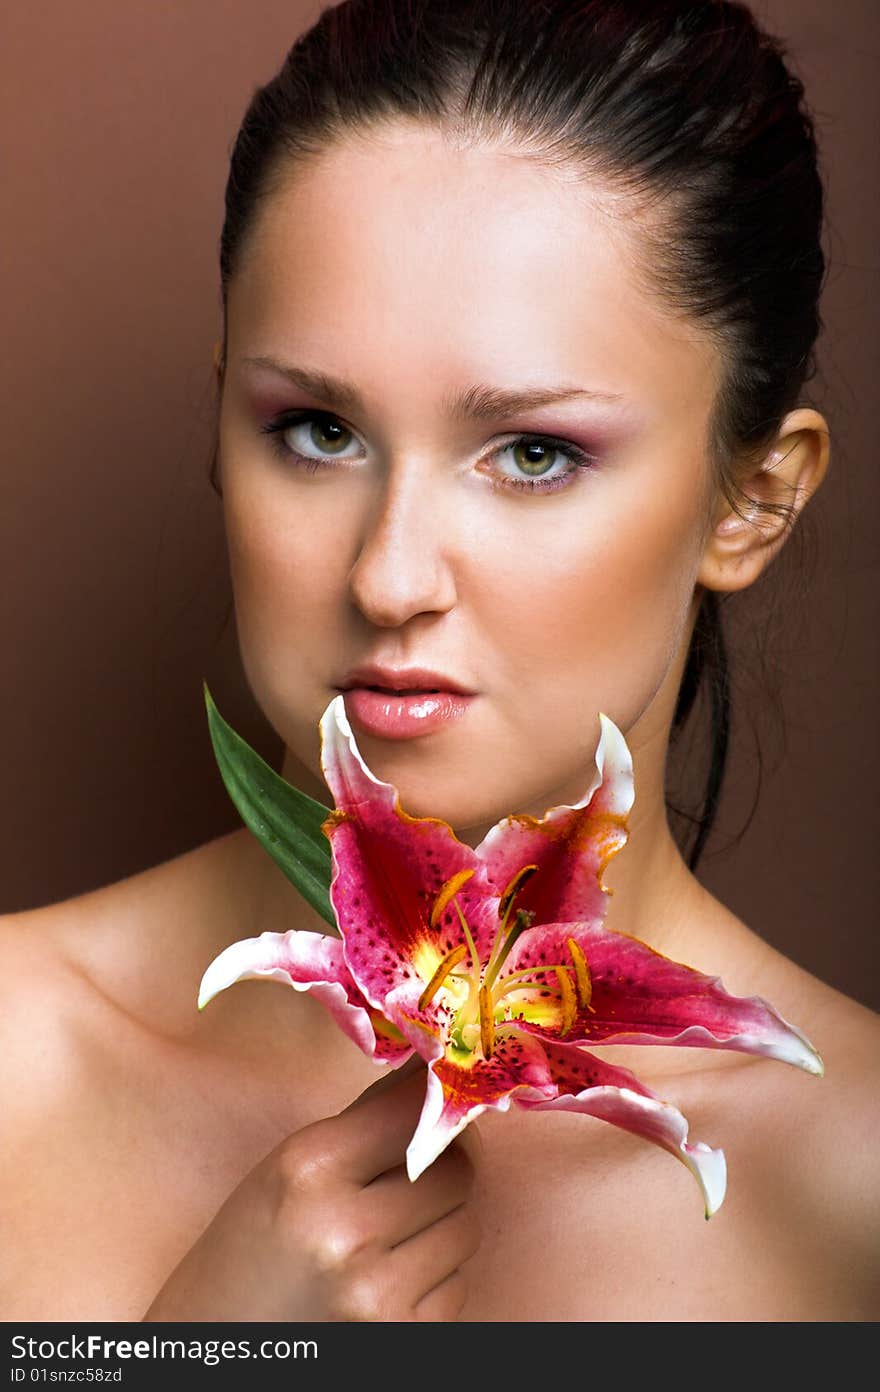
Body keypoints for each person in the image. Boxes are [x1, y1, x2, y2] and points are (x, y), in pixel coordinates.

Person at [2, 0, 878, 1323]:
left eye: (536, 452)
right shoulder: (16, 1062)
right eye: (315, 431)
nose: (390, 576)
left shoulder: (850, 1186)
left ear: (749, 499)